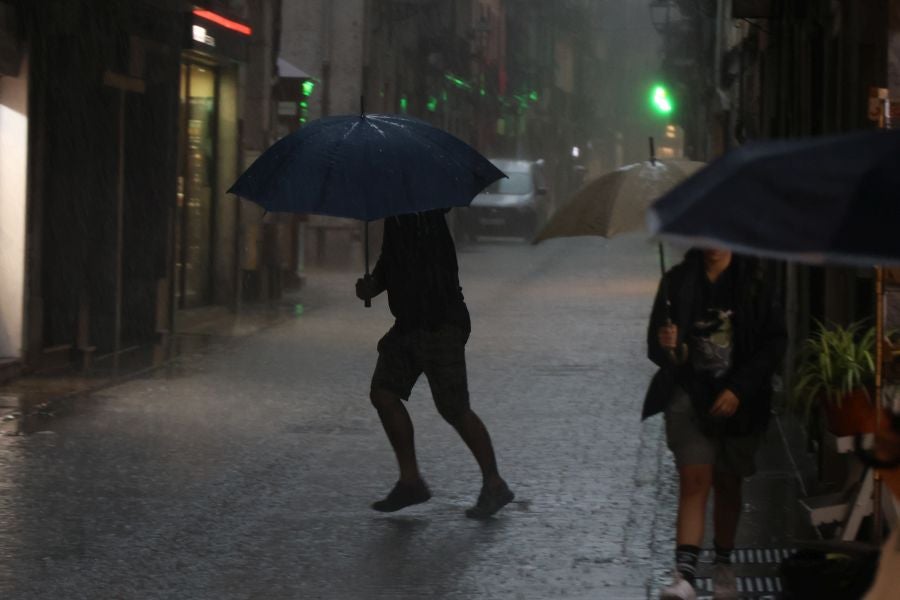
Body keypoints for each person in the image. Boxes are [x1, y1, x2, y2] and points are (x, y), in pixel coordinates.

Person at [644, 248, 787, 600]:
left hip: (742, 402)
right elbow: (657, 348)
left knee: (728, 484)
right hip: (690, 397)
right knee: (695, 480)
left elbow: (774, 343)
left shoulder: (755, 282)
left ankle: (723, 562)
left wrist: (740, 388)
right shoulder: (676, 282)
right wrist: (670, 346)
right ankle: (685, 575)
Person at [355, 209, 514, 519]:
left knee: (454, 407)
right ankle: (410, 481)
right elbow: (391, 264)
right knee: (384, 393)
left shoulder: (426, 216)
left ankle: (494, 484)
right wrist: (372, 285)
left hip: (439, 324)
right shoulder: (396, 217)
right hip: (409, 325)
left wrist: (389, 282)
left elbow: (424, 269)